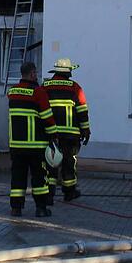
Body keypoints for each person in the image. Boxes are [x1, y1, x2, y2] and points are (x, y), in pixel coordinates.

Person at [7, 61, 58, 217]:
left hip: (16, 146)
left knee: (17, 178)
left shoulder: (12, 91)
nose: (37, 75)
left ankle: (16, 208)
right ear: (31, 74)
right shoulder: (38, 92)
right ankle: (41, 208)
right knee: (39, 179)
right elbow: (47, 118)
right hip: (36, 146)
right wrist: (54, 135)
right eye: (35, 73)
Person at [43, 57, 90, 202]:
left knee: (50, 163)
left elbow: (40, 109)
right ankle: (69, 192)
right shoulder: (75, 88)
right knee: (69, 163)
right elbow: (82, 112)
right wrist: (86, 130)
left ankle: (49, 194)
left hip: (51, 134)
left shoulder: (45, 87)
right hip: (71, 136)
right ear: (68, 72)